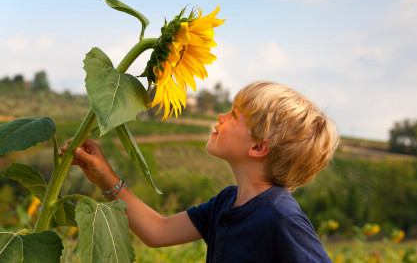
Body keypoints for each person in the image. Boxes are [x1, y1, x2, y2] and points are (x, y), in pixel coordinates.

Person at [61, 81, 339, 262]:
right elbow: (158, 231)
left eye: (234, 115)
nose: (221, 117)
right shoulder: (227, 202)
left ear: (258, 147)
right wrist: (104, 175)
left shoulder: (282, 218)